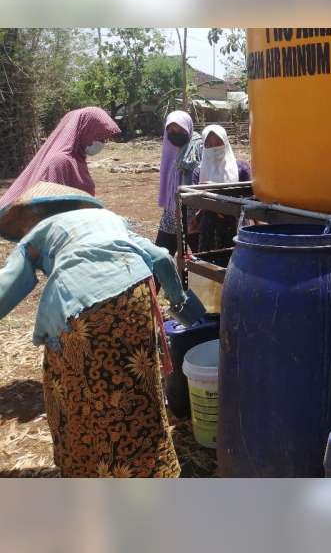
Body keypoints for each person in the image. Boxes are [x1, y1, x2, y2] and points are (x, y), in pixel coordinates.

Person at [0, 182, 191, 477]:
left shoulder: (38, 233)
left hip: (81, 310)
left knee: (74, 393)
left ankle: (87, 471)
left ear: (32, 215)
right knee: (135, 388)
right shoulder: (111, 220)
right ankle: (151, 470)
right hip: (134, 296)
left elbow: (8, 287)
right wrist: (181, 303)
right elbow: (162, 258)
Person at [0, 107, 120, 210]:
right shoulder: (59, 161)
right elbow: (48, 207)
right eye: (100, 138)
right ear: (85, 132)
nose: (102, 143)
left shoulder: (77, 159)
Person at [192, 124, 252, 252]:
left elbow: (251, 198)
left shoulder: (241, 168)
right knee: (210, 265)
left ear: (225, 142)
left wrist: (226, 206)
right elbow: (196, 202)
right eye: (209, 145)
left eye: (218, 143)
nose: (214, 148)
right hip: (209, 228)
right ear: (204, 146)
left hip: (237, 225)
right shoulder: (198, 172)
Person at [156, 110, 202, 256]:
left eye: (179, 129)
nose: (174, 133)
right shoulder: (168, 149)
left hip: (194, 214)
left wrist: (195, 213)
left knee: (205, 260)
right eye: (170, 129)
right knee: (162, 256)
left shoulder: (198, 147)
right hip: (171, 213)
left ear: (187, 128)